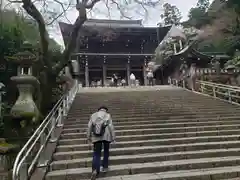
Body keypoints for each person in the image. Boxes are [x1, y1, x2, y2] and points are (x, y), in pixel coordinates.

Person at [87, 106, 116, 180]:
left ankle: (95, 170)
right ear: (105, 110)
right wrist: (113, 138)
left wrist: (88, 137)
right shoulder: (108, 115)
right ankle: (105, 167)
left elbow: (89, 126)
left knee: (96, 154)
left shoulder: (93, 115)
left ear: (99, 110)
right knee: (106, 151)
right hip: (106, 136)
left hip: (96, 136)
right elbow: (111, 126)